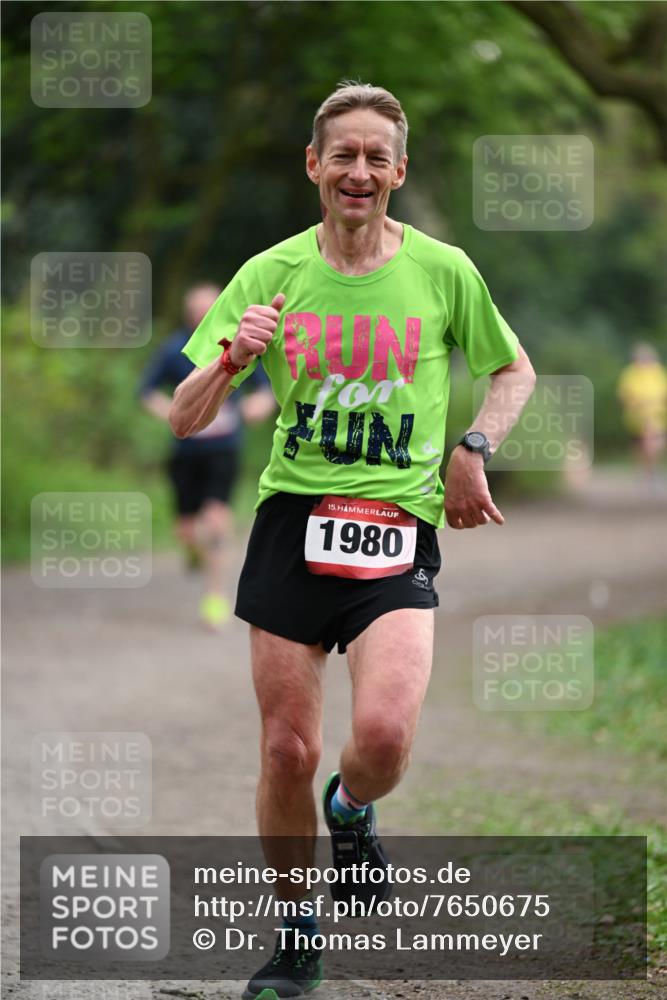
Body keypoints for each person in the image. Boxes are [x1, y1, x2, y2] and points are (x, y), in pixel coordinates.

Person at [169, 82, 536, 999]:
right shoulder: (270, 273)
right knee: (286, 751)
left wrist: (472, 447)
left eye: (377, 156)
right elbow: (183, 417)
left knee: (380, 739)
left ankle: (351, 808)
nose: (359, 171)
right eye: (343, 154)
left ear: (398, 171)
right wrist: (233, 358)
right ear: (314, 165)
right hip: (292, 525)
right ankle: (297, 938)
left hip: (396, 530)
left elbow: (511, 370)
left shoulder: (443, 270)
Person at [140, 283, 275, 630]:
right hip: (186, 452)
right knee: (186, 530)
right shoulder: (174, 349)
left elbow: (266, 388)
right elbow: (147, 391)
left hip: (223, 450)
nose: (202, 315)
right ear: (188, 315)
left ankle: (215, 597)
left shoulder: (239, 343)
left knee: (216, 521)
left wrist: (257, 406)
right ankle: (191, 549)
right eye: (196, 311)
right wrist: (172, 413)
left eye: (209, 308)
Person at [617, 342, 667, 482]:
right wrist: (636, 403)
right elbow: (623, 395)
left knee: (653, 440)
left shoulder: (659, 372)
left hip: (657, 413)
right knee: (641, 443)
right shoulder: (630, 373)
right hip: (637, 414)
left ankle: (650, 469)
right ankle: (647, 470)